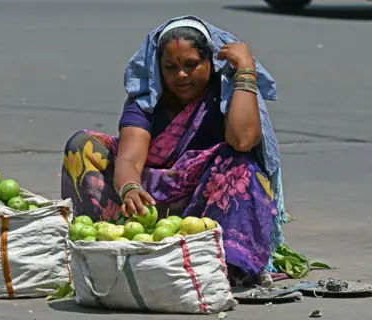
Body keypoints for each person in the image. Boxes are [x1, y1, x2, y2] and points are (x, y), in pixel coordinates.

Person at [61, 16, 288, 285]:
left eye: (191, 65)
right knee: (83, 146)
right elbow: (129, 158)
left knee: (241, 164)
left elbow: (243, 140)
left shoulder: (223, 93)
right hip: (146, 205)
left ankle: (228, 262)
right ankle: (101, 250)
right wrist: (130, 188)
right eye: (170, 67)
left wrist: (246, 70)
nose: (181, 75)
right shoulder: (147, 101)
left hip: (205, 208)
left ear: (210, 62)